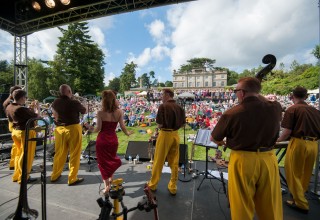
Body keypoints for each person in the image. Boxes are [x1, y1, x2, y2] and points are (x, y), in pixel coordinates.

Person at [211, 77, 283, 220]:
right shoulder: (275, 107)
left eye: (236, 91)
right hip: (268, 159)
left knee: (241, 204)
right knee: (270, 203)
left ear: (242, 93)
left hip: (243, 160)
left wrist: (221, 142)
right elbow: (263, 100)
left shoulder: (232, 113)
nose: (235, 94)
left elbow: (214, 138)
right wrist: (255, 93)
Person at [277, 86, 320, 214]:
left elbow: (287, 132)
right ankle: (299, 197)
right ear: (306, 96)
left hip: (299, 143)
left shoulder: (292, 109)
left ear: (292, 96)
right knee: (305, 173)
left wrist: (278, 140)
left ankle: (301, 203)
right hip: (314, 144)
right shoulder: (315, 111)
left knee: (293, 173)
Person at [92, 90, 133, 194]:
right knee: (110, 160)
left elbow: (98, 129)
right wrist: (128, 133)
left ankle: (107, 187)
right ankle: (110, 179)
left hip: (102, 140)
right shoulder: (119, 112)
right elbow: (123, 127)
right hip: (113, 140)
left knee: (103, 163)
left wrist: (89, 129)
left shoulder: (100, 113)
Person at [147, 89, 185, 196]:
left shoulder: (163, 106)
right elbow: (183, 125)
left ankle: (153, 184)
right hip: (175, 135)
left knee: (159, 160)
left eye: (162, 94)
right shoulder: (180, 107)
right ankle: (173, 186)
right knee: (174, 161)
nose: (161, 97)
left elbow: (159, 124)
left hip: (165, 134)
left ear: (167, 95)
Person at [50, 84, 87, 186]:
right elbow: (84, 111)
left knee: (59, 153)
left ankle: (54, 175)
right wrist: (83, 102)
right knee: (74, 154)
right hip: (73, 128)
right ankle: (72, 178)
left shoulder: (55, 102)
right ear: (69, 92)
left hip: (59, 130)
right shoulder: (74, 102)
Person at [5, 89, 39, 183]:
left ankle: (17, 175)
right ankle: (24, 177)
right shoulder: (20, 109)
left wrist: (29, 109)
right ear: (22, 97)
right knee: (26, 155)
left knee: (19, 154)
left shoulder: (9, 107)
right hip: (25, 132)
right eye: (25, 97)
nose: (26, 99)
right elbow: (37, 116)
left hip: (16, 132)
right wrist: (37, 108)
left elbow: (24, 115)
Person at [3, 85, 22, 170]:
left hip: (12, 122)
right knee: (17, 146)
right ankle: (16, 163)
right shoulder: (10, 101)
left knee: (15, 145)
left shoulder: (7, 101)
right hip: (14, 123)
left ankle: (13, 163)